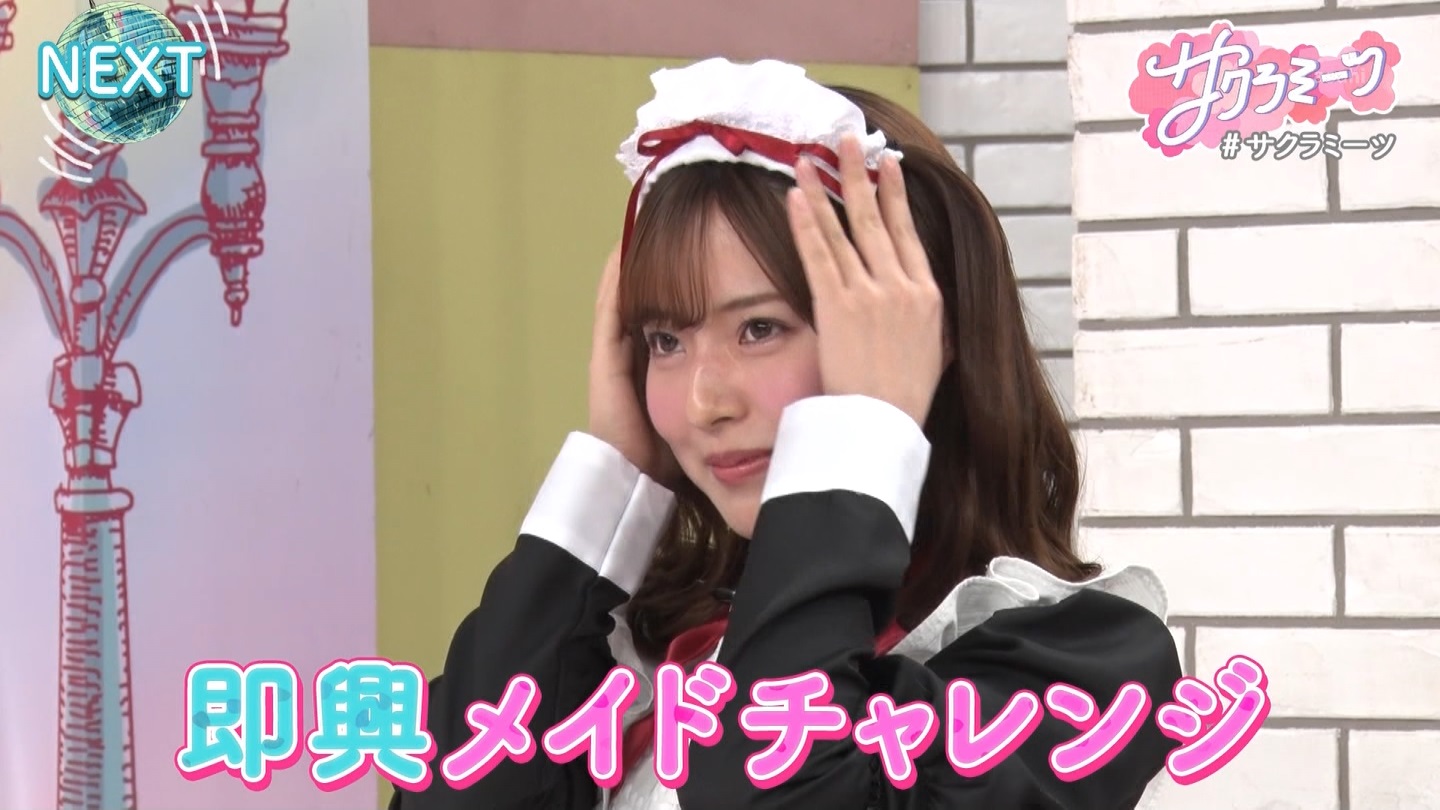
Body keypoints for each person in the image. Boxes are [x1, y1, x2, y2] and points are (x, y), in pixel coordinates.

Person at [391, 58, 1181, 810]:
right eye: (665, 340)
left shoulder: (1079, 666)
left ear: (919, 332)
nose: (704, 400)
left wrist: (859, 434)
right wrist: (613, 480)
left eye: (760, 328)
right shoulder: (631, 645)